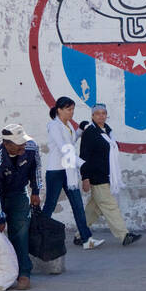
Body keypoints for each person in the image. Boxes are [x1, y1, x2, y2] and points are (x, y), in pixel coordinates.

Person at [0, 124, 42, 291]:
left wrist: (36, 190)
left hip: (18, 193)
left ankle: (24, 273)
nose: (23, 146)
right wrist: (0, 217)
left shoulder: (31, 147)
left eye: (23, 142)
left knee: (20, 232)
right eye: (19, 144)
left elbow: (36, 168)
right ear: (7, 144)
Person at [44, 97, 104, 250]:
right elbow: (64, 149)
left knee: (78, 206)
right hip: (56, 171)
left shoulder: (68, 124)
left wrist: (79, 131)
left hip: (69, 171)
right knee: (50, 206)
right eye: (68, 109)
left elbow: (70, 143)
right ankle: (37, 235)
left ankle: (87, 239)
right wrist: (83, 164)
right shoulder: (54, 126)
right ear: (59, 110)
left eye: (73, 109)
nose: (71, 113)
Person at [79, 104, 141, 246]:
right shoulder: (90, 132)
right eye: (98, 113)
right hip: (97, 176)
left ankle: (79, 234)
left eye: (103, 113)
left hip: (107, 175)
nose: (101, 116)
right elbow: (83, 155)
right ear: (92, 116)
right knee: (110, 205)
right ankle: (124, 235)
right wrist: (85, 177)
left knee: (93, 209)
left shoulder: (107, 131)